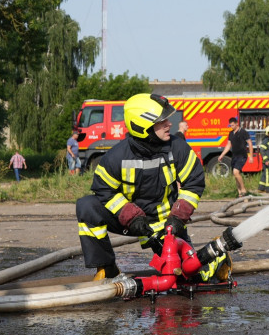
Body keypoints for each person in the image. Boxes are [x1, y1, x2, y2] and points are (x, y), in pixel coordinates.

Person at [75, 93, 230, 282]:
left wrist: (177, 218)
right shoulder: (116, 157)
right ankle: (107, 268)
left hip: (167, 224)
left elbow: (194, 181)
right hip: (132, 221)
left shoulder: (177, 148)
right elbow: (103, 190)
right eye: (162, 121)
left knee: (188, 276)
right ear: (142, 126)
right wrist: (130, 215)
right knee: (87, 206)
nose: (169, 124)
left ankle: (219, 257)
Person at [217, 116, 253, 197]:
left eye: (232, 125)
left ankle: (243, 190)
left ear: (237, 124)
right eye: (230, 125)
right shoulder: (231, 133)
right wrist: (222, 155)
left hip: (242, 155)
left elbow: (250, 143)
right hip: (235, 156)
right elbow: (228, 145)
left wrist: (250, 156)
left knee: (235, 172)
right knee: (236, 175)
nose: (231, 127)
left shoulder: (243, 132)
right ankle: (240, 193)